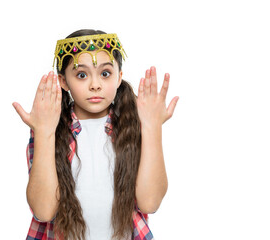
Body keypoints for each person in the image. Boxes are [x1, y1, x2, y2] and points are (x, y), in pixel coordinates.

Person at [12, 29, 179, 240]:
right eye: (81, 75)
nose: (95, 85)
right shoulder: (50, 128)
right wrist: (44, 132)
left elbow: (150, 202)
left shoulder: (134, 126)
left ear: (119, 78)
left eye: (105, 73)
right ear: (63, 82)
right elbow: (43, 210)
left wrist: (152, 127)